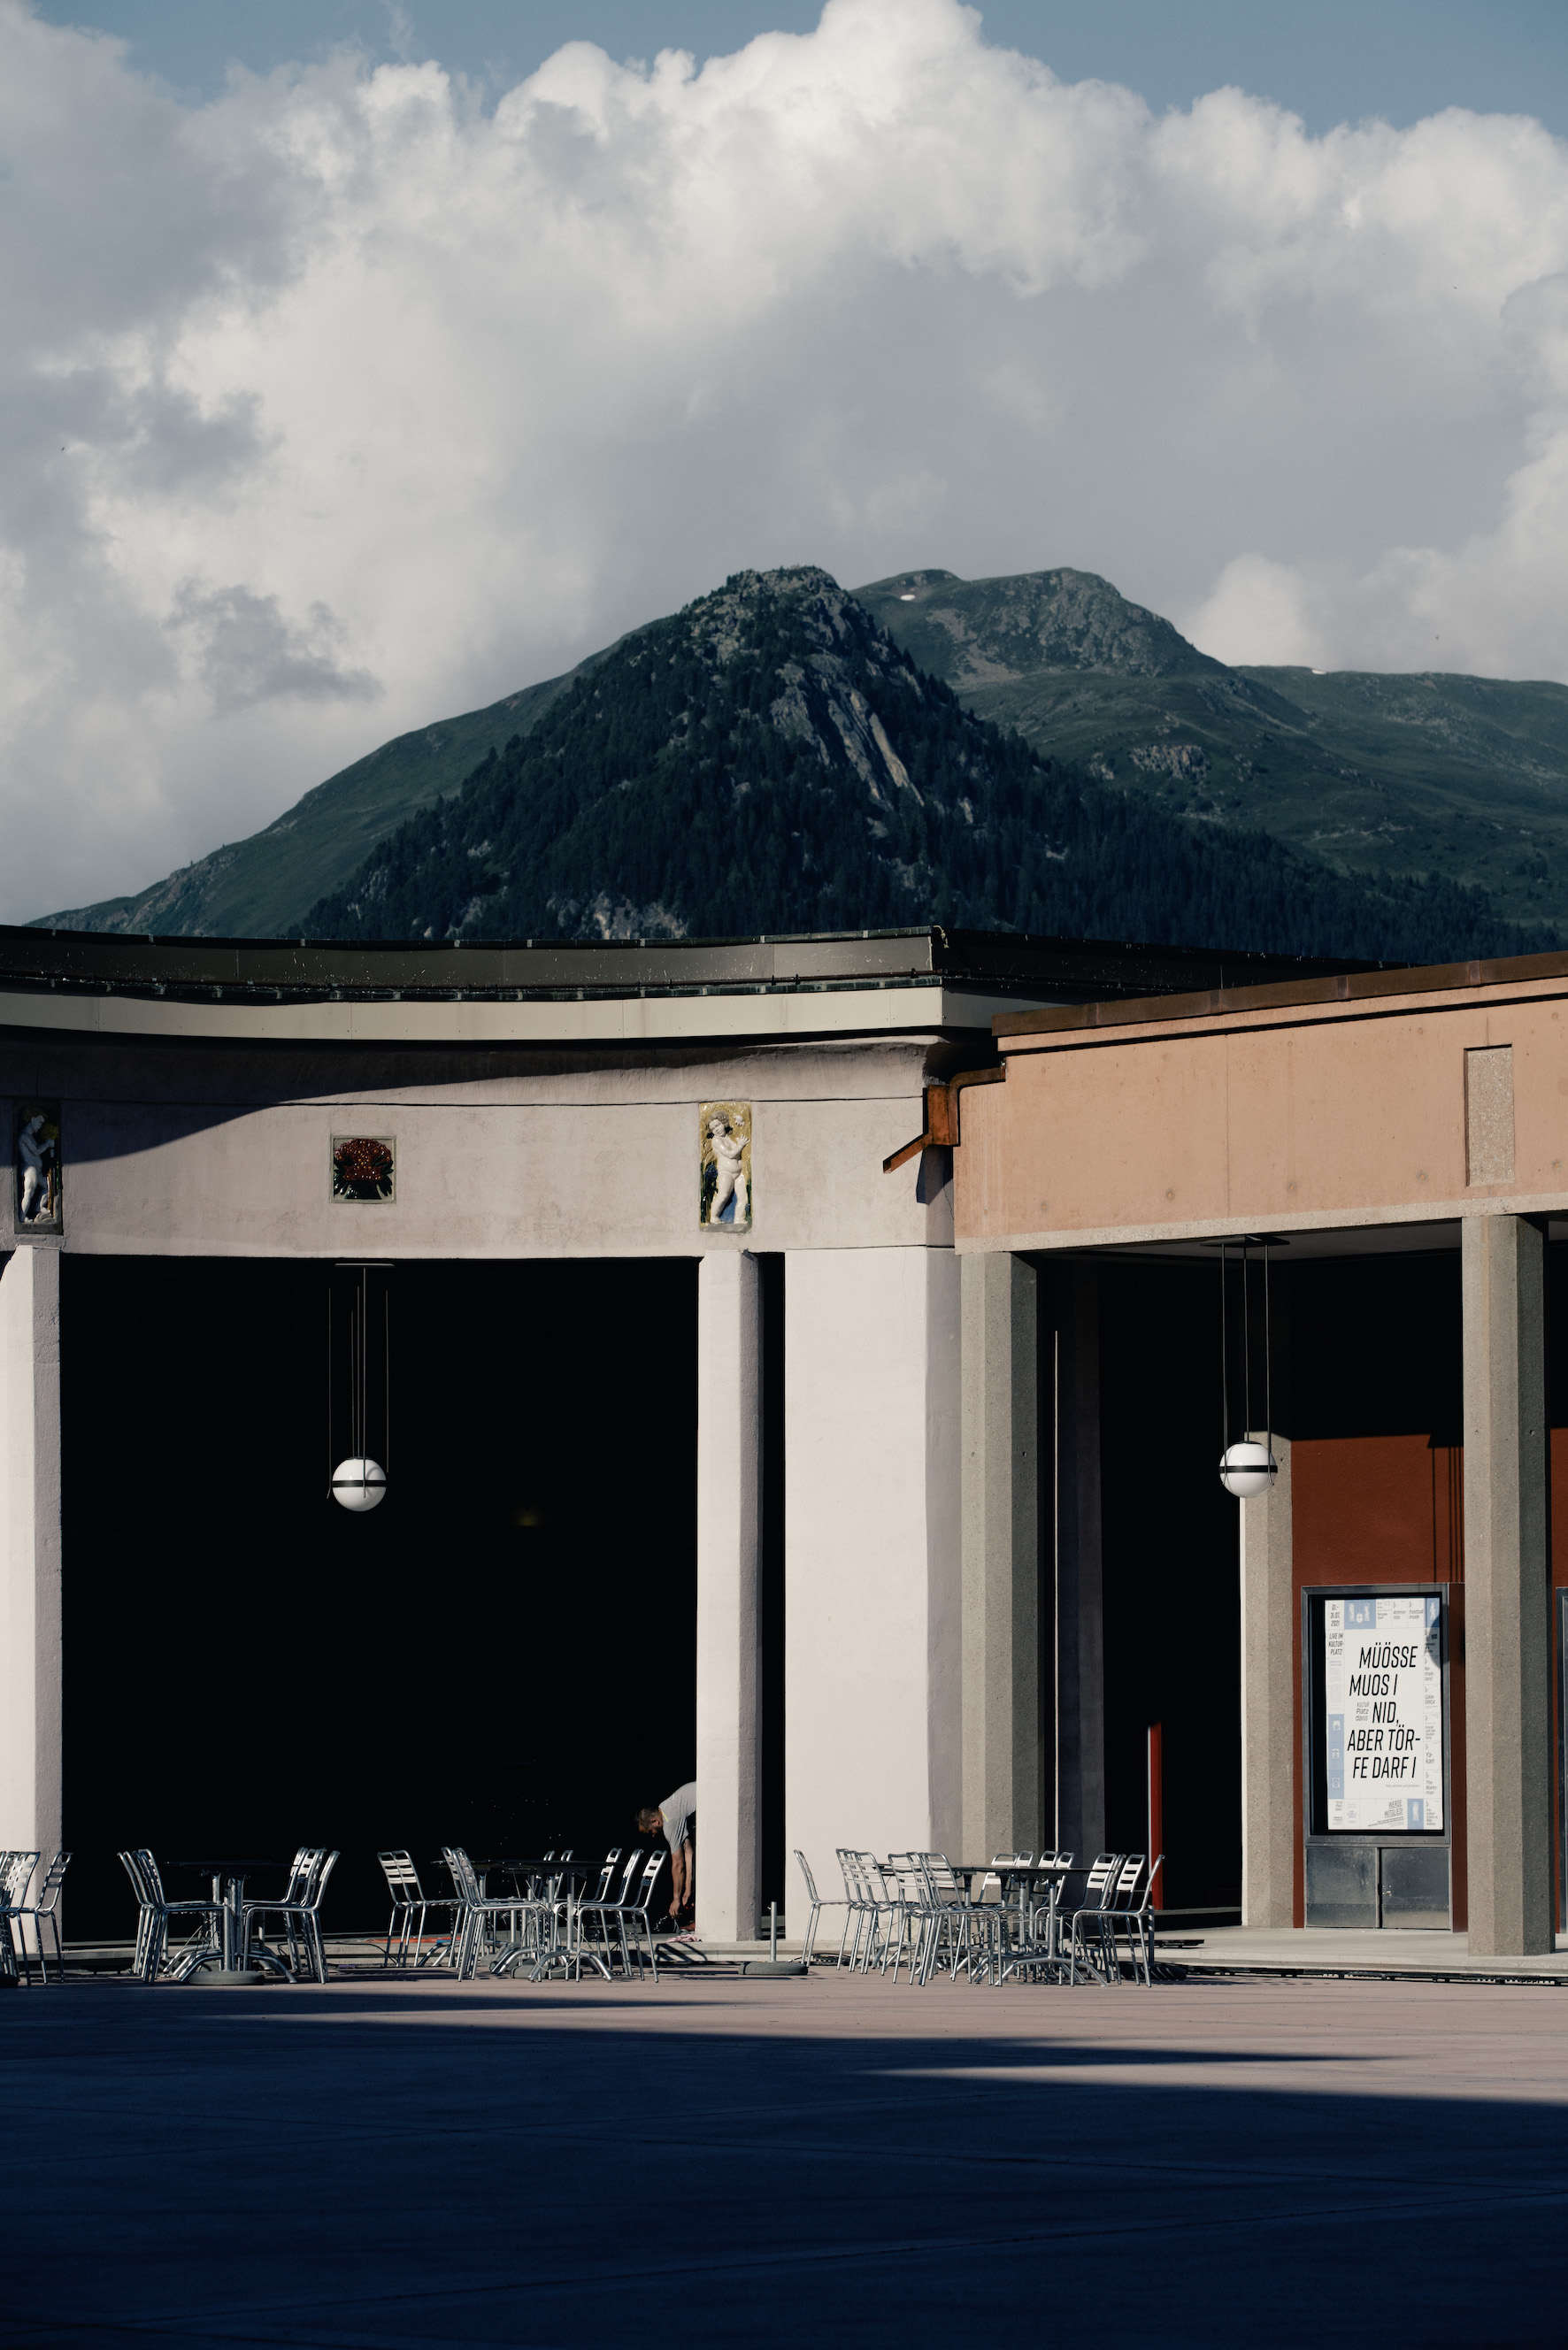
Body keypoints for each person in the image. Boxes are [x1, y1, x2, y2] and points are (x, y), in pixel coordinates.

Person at [637, 1781, 696, 1931]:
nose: (653, 1836)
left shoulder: (670, 1821)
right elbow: (688, 1851)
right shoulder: (666, 1807)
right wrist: (687, 1889)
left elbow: (678, 1864)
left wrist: (676, 1899)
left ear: (655, 1821)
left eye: (650, 1831)